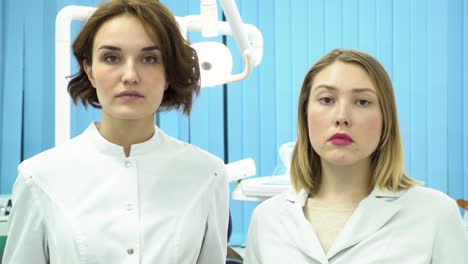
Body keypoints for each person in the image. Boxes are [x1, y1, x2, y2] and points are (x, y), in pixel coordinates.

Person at [2, 0, 229, 263]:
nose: (130, 75)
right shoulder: (39, 178)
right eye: (112, 57)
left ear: (168, 73)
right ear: (89, 70)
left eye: (149, 58)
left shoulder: (207, 175)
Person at [244, 49, 468, 263]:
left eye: (362, 102)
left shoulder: (435, 214)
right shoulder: (267, 220)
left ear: (385, 119)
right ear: (305, 114)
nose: (342, 117)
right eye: (327, 100)